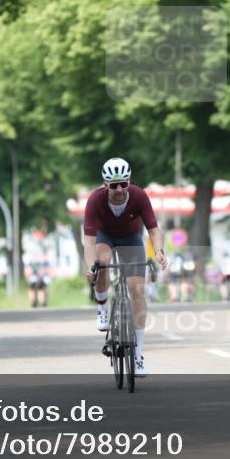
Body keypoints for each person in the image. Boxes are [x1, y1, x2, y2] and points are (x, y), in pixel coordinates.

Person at [83, 157, 168, 377]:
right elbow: (89, 241)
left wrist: (159, 251)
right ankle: (102, 308)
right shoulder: (95, 200)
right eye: (114, 185)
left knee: (137, 290)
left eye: (123, 183)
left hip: (131, 238)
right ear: (105, 185)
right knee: (102, 262)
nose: (119, 189)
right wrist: (90, 268)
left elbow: (154, 229)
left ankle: (138, 356)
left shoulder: (139, 195)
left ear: (129, 181)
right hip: (105, 236)